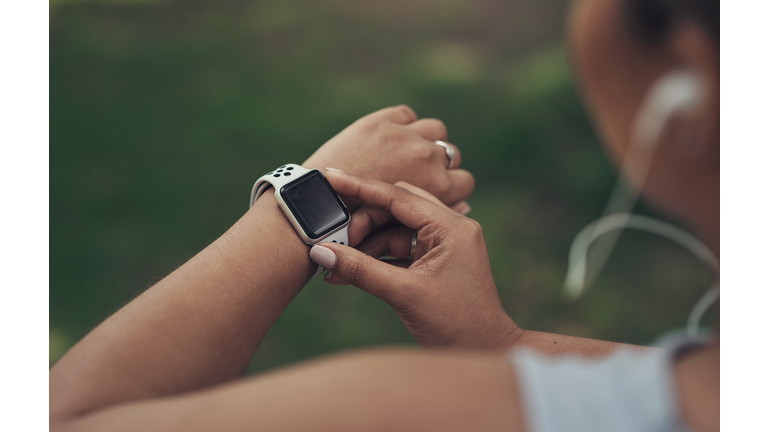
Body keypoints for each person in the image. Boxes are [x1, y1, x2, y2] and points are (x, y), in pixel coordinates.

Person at [49, 0, 719, 430]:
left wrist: (294, 207)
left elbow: (67, 416)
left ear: (690, 87)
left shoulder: (401, 411)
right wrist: (497, 342)